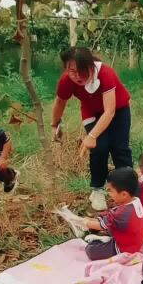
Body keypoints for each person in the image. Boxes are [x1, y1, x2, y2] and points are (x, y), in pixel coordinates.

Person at [52, 47, 133, 211]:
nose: (76, 76)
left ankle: (129, 188)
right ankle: (97, 190)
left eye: (80, 71)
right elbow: (60, 102)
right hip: (91, 112)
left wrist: (92, 135)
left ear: (91, 66)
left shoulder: (106, 74)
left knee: (120, 148)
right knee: (99, 148)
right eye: (71, 71)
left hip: (118, 111)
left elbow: (109, 111)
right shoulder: (66, 81)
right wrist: (55, 124)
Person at [81, 167, 143, 261]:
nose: (109, 194)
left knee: (91, 250)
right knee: (101, 218)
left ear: (124, 194)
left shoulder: (122, 213)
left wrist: (84, 222)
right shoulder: (136, 200)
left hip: (125, 248)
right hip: (136, 240)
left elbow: (101, 225)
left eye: (110, 190)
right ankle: (105, 237)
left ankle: (99, 240)